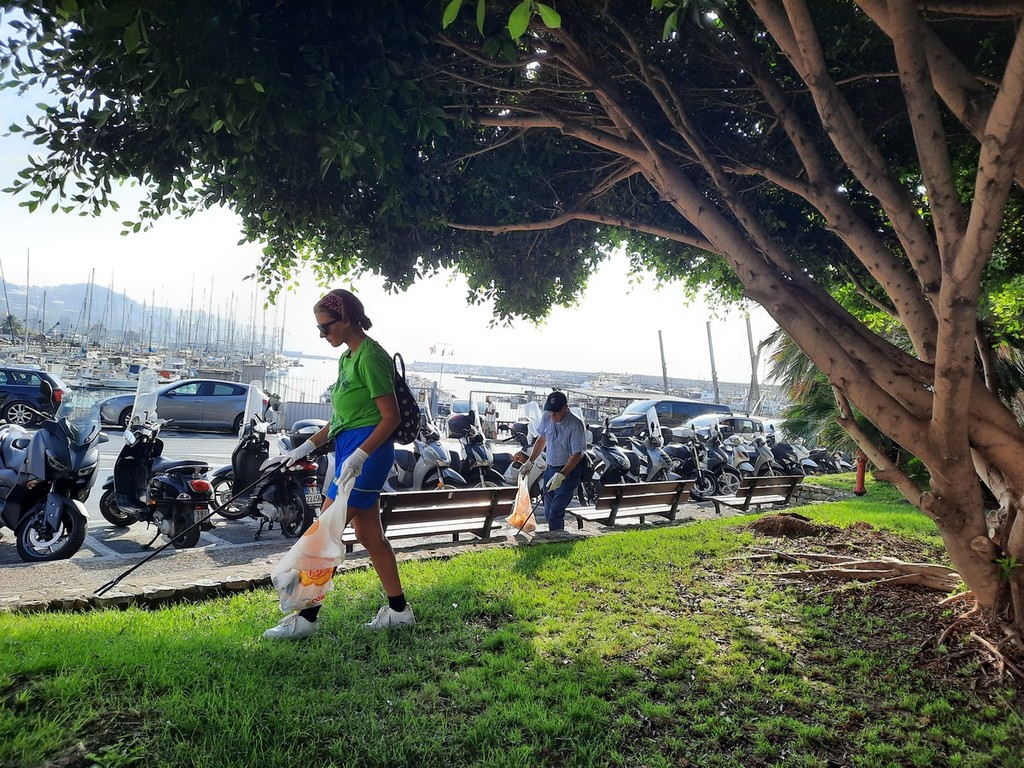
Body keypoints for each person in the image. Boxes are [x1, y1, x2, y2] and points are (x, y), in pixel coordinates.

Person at [262, 288, 415, 640]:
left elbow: (390, 417)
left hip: (368, 454)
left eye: (325, 327)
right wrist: (307, 446)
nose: (322, 334)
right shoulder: (347, 357)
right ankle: (399, 611)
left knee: (325, 531)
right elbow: (342, 418)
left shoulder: (371, 357)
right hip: (350, 449)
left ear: (346, 320)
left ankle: (307, 618)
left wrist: (361, 456)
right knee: (368, 535)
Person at [519, 390, 586, 531]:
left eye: (556, 412)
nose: (552, 415)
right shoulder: (547, 416)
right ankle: (553, 535)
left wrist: (561, 475)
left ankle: (556, 538)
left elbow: (576, 455)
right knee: (548, 509)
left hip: (568, 471)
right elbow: (542, 440)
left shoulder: (575, 425)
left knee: (556, 511)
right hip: (550, 468)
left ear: (565, 408)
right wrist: (530, 461)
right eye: (550, 412)